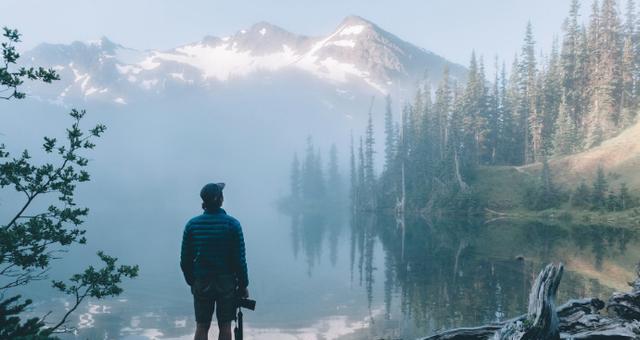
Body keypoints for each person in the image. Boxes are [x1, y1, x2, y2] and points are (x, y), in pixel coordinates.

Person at [180, 183, 249, 340]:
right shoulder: (233, 224)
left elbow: (185, 260)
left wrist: (193, 281)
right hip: (226, 282)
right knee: (225, 325)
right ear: (221, 199)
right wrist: (243, 285)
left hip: (202, 281)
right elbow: (240, 260)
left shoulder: (192, 225)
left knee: (202, 325)